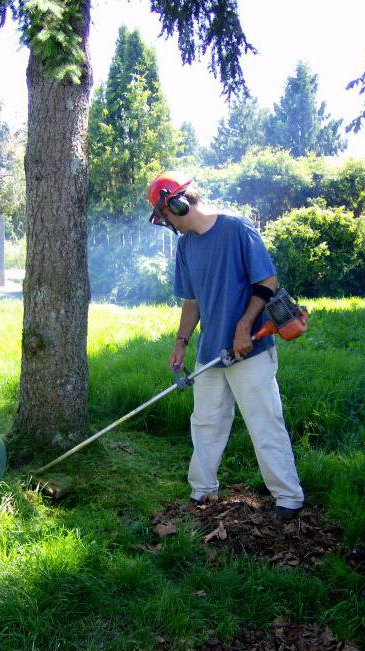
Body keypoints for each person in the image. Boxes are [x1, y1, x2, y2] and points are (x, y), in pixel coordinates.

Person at [147, 170, 304, 520]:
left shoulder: (236, 228)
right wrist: (180, 343)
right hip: (210, 353)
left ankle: (288, 498)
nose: (168, 223)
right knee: (206, 422)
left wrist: (244, 326)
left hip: (250, 349)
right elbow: (192, 301)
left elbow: (267, 280)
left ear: (179, 202)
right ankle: (202, 491)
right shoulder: (186, 246)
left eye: (166, 213)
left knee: (264, 421)